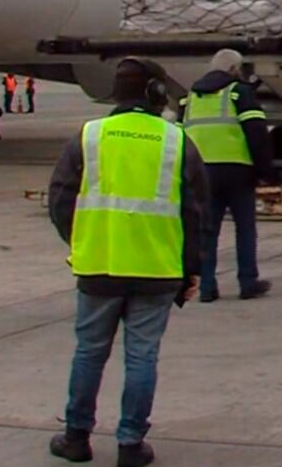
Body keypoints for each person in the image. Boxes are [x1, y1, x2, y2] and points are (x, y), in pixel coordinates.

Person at [47, 58, 209, 467]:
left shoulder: (89, 136)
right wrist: (192, 269)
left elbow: (61, 198)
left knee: (89, 353)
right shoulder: (176, 141)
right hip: (156, 269)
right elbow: (196, 213)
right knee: (142, 357)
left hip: (99, 264)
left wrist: (83, 239)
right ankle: (130, 444)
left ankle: (76, 437)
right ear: (156, 94)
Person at [181, 49, 277, 303]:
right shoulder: (239, 93)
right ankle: (248, 282)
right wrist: (267, 172)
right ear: (235, 69)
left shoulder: (190, 98)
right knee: (245, 229)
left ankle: (207, 287)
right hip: (237, 171)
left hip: (202, 172)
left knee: (207, 231)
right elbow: (257, 134)